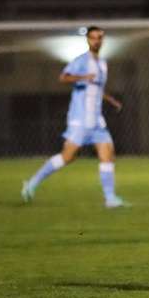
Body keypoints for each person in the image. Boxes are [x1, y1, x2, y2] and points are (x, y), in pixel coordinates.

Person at [21, 26, 128, 208]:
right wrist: (83, 76)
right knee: (67, 157)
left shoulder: (102, 64)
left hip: (96, 120)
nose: (96, 41)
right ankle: (31, 184)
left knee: (107, 154)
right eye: (93, 38)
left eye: (99, 37)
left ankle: (110, 199)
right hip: (80, 119)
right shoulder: (81, 61)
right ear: (88, 40)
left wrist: (111, 101)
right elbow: (63, 77)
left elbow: (97, 88)